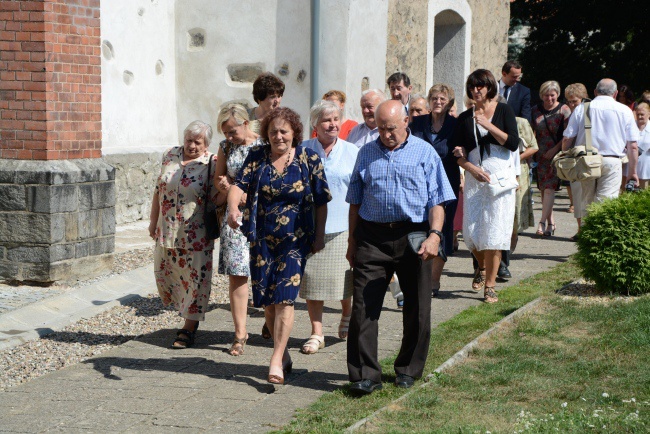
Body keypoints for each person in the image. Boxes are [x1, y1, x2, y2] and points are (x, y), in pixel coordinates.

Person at [345, 100, 455, 396]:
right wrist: (352, 241)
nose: (385, 134)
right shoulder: (366, 153)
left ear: (406, 121)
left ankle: (407, 369)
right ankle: (365, 374)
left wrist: (435, 236)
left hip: (414, 236)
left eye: (391, 128)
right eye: (380, 128)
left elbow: (438, 200)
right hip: (372, 237)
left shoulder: (424, 152)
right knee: (363, 307)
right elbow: (355, 200)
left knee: (418, 306)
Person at [227, 107, 331, 385]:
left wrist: (319, 235)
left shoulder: (308, 158)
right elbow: (239, 185)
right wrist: (232, 208)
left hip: (295, 241)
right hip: (261, 239)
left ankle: (274, 360)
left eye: (284, 131)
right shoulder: (257, 156)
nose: (278, 136)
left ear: (294, 132)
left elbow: (321, 201)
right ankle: (283, 354)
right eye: (273, 131)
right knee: (268, 303)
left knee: (285, 298)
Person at [451, 69, 520, 304]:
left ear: (490, 87)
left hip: (499, 180)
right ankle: (481, 266)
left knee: (495, 234)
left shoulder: (504, 110)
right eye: (472, 87)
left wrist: (487, 124)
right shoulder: (463, 117)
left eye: (480, 86)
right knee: (471, 234)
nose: (475, 90)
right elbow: (456, 154)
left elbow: (512, 143)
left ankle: (490, 286)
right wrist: (469, 167)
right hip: (474, 180)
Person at [149, 121, 218, 349]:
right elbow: (159, 190)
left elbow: (219, 195)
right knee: (167, 273)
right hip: (167, 230)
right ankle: (185, 313)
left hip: (196, 233)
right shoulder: (170, 155)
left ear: (206, 144)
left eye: (198, 142)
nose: (192, 145)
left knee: (196, 279)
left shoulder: (212, 162)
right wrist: (152, 221)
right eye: (189, 140)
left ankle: (188, 328)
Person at [299, 100, 358, 354]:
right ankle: (317, 332)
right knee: (312, 279)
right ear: (315, 124)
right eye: (327, 120)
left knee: (342, 278)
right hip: (310, 226)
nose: (333, 124)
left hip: (343, 224)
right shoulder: (302, 150)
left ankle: (347, 313)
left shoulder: (352, 151)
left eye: (336, 119)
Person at [214, 104, 263, 356]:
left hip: (263, 215)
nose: (229, 137)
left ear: (246, 123)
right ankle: (240, 332)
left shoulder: (265, 145)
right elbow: (219, 177)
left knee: (264, 270)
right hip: (234, 218)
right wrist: (224, 186)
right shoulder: (226, 148)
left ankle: (271, 321)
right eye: (225, 133)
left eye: (232, 131)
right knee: (238, 273)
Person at [561, 79, 639, 218]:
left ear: (595, 92)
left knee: (586, 203)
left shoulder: (582, 108)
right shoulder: (625, 110)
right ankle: (601, 235)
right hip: (612, 161)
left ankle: (587, 236)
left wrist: (565, 158)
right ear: (615, 94)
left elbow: (567, 139)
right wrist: (633, 172)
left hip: (586, 160)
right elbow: (633, 146)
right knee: (606, 204)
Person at [409, 83, 459, 296]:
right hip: (419, 184)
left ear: (449, 103)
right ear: (429, 102)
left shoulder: (456, 125)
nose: (438, 102)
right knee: (420, 227)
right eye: (435, 98)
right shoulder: (418, 122)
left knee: (442, 231)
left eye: (443, 99)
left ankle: (434, 281)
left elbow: (463, 153)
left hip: (447, 183)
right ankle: (419, 276)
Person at [531, 81, 571, 237]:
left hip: (556, 155)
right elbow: (532, 131)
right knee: (543, 191)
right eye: (546, 95)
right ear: (541, 95)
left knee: (549, 189)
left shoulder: (564, 110)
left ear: (557, 94)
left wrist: (555, 150)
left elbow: (568, 134)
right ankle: (551, 223)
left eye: (552, 95)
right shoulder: (535, 110)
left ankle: (541, 222)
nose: (549, 98)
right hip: (540, 155)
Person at [564, 83, 590, 239]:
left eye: (574, 101)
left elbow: (568, 137)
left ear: (583, 97)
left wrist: (563, 153)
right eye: (569, 101)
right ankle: (582, 229)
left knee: (579, 196)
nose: (571, 104)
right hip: (598, 157)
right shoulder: (594, 108)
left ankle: (582, 230)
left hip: (580, 157)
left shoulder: (579, 111)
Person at [632, 102, 650, 189]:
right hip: (629, 167)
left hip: (646, 168)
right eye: (637, 114)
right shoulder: (631, 126)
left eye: (642, 114)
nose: (639, 117)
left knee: (643, 194)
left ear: (648, 114)